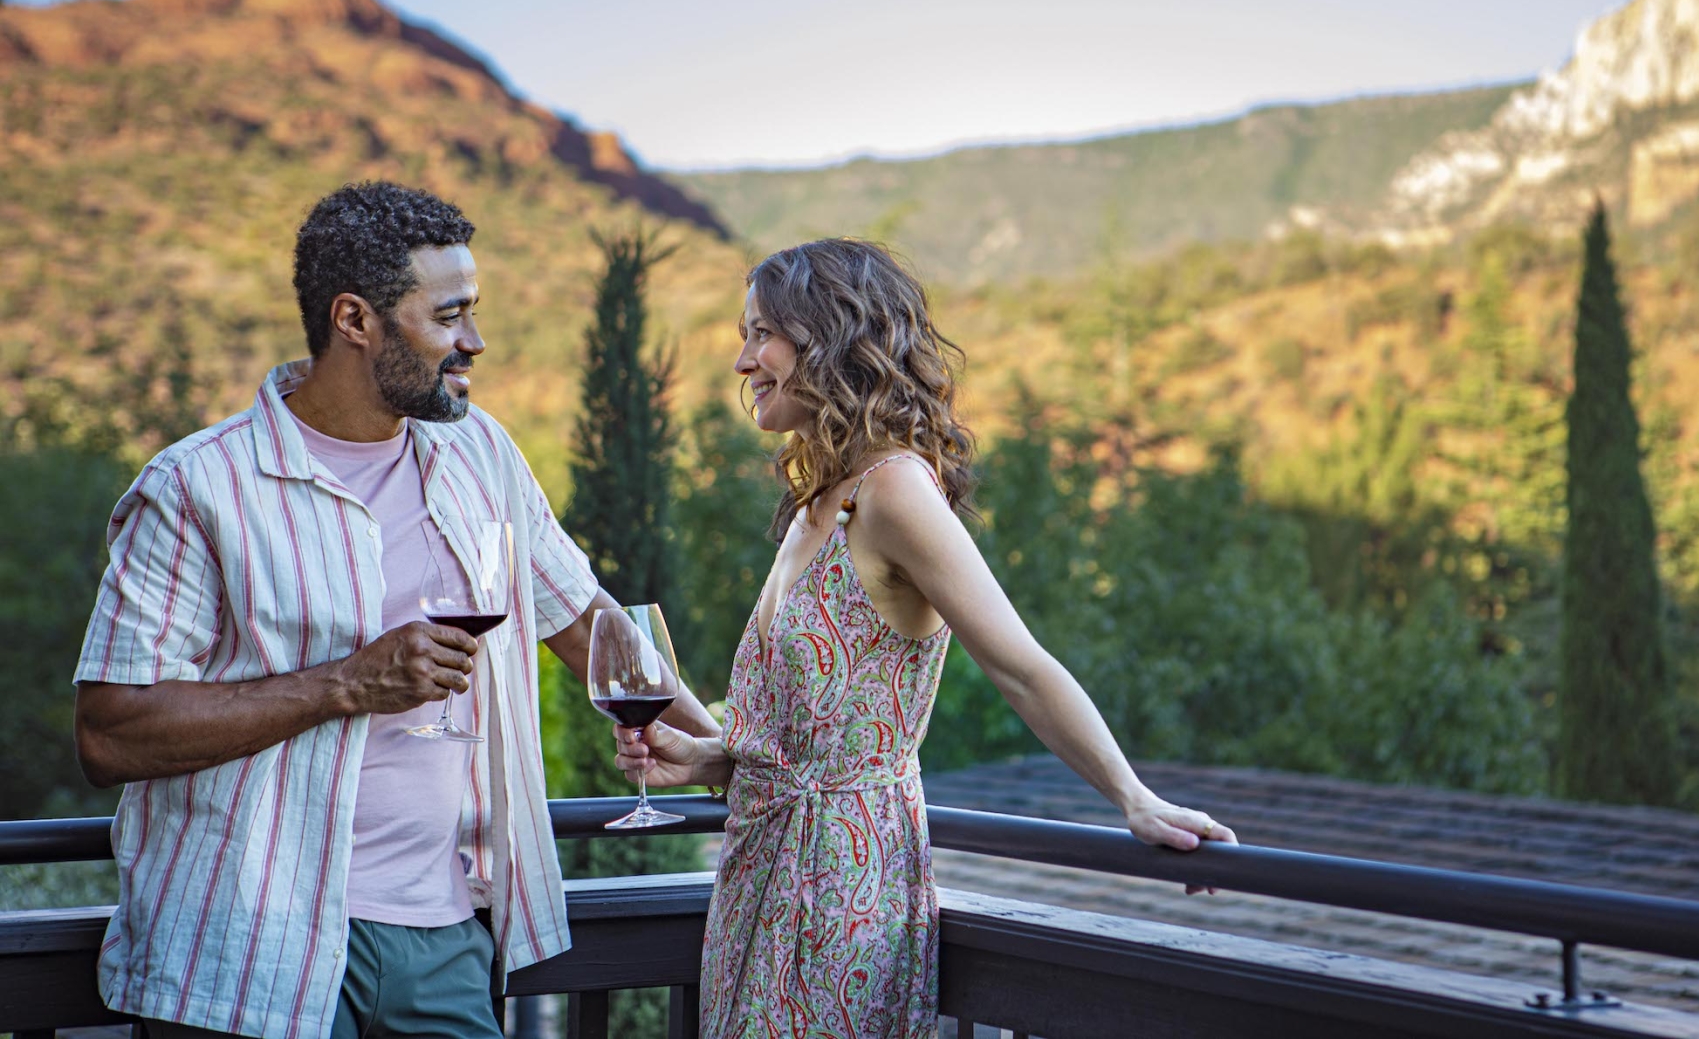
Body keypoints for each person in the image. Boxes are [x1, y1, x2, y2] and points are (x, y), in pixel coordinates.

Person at [71, 182, 719, 1039]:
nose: (475, 342)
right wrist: (347, 683)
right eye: (449, 317)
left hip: (443, 938)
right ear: (354, 320)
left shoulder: (479, 451)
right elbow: (109, 732)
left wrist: (717, 756)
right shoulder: (197, 486)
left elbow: (587, 621)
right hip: (248, 946)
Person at [618, 237, 1236, 1038]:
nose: (742, 361)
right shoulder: (819, 502)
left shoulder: (896, 492)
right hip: (757, 879)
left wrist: (1134, 797)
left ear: (828, 336)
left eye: (759, 333)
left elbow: (1019, 666)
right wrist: (711, 758)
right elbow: (812, 729)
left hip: (842, 890)